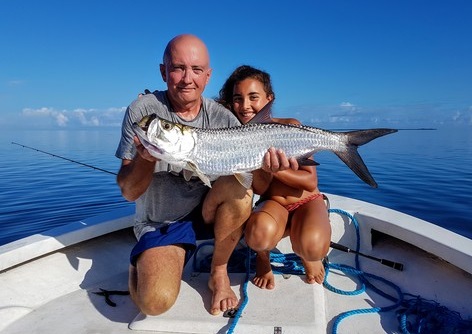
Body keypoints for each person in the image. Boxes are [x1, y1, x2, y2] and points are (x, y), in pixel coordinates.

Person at [115, 35, 295, 316]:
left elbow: (254, 185)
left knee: (240, 191)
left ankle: (219, 271)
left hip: (211, 214)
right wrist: (144, 159)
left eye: (196, 70)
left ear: (208, 76)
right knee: (154, 303)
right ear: (163, 72)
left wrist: (266, 166)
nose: (188, 78)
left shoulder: (222, 117)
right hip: (163, 221)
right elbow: (128, 192)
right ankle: (142, 263)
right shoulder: (144, 112)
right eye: (178, 68)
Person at [217, 65, 331, 289]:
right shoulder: (236, 139)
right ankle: (262, 258)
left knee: (312, 246)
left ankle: (310, 257)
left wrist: (279, 169)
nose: (245, 105)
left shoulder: (290, 126)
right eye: (238, 99)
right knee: (258, 235)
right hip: (273, 205)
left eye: (253, 97)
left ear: (269, 99)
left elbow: (310, 182)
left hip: (307, 201)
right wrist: (264, 168)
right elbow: (259, 189)